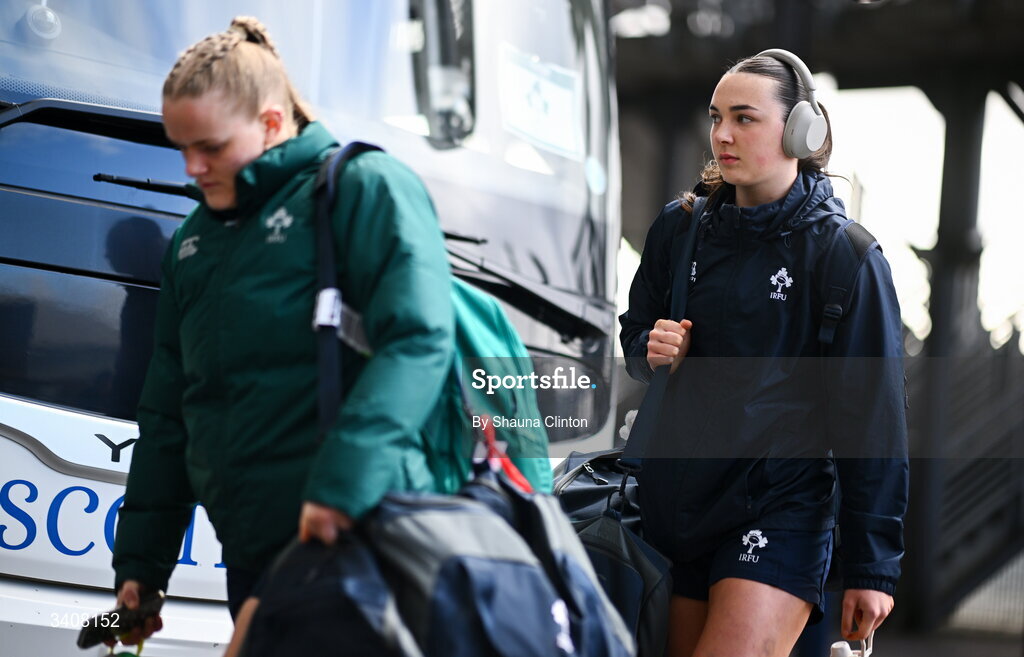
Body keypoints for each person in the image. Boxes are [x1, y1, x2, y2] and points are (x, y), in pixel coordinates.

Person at [109, 16, 454, 645]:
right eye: (180, 147)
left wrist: (342, 489)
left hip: (354, 535)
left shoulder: (364, 188)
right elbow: (169, 411)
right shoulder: (193, 242)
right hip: (251, 553)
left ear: (271, 124)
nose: (192, 168)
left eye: (210, 148)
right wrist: (141, 565)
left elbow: (419, 340)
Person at [619, 49, 908, 657]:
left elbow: (874, 420)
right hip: (677, 508)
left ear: (802, 130)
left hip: (780, 512)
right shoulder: (678, 228)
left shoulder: (845, 258)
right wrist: (653, 347)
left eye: (744, 118)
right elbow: (635, 337)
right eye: (716, 116)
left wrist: (871, 566)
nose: (722, 134)